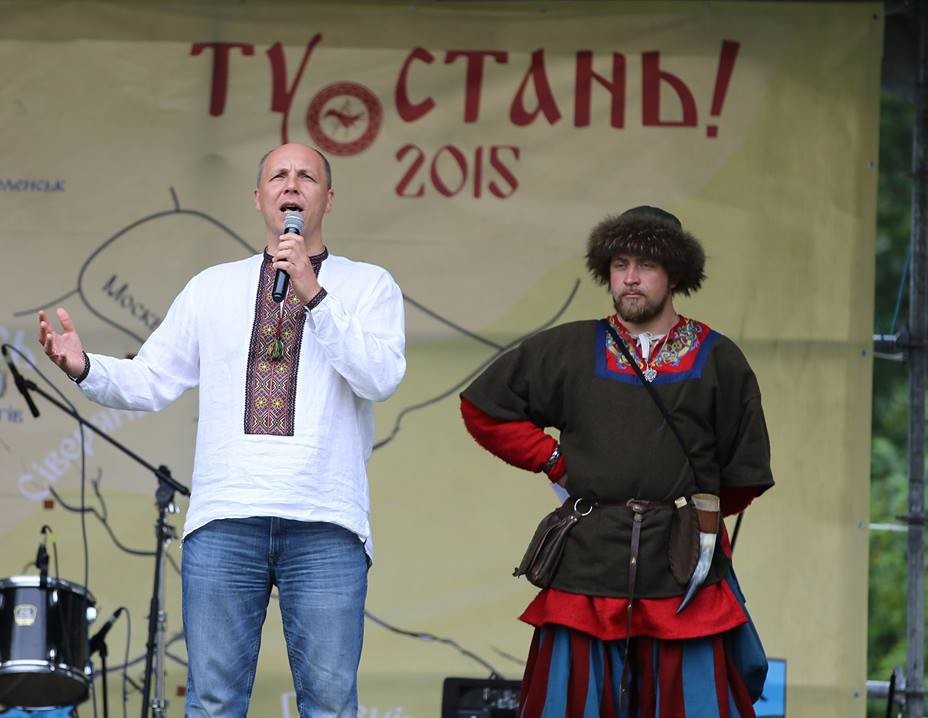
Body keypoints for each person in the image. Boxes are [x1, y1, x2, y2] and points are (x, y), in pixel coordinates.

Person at [38, 143, 407, 718]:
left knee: (332, 704)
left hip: (326, 519)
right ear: (258, 197)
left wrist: (314, 294)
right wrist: (85, 367)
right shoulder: (212, 287)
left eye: (306, 177)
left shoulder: (369, 285)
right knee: (212, 703)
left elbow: (380, 377)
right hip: (226, 518)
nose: (291, 185)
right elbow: (152, 378)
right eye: (278, 176)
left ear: (328, 199)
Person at [459, 206, 773, 717]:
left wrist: (686, 517)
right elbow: (484, 408)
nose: (629, 277)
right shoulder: (569, 347)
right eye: (619, 264)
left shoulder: (720, 359)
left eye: (646, 265)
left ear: (675, 275)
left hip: (681, 574)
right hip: (587, 567)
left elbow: (743, 474)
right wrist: (554, 459)